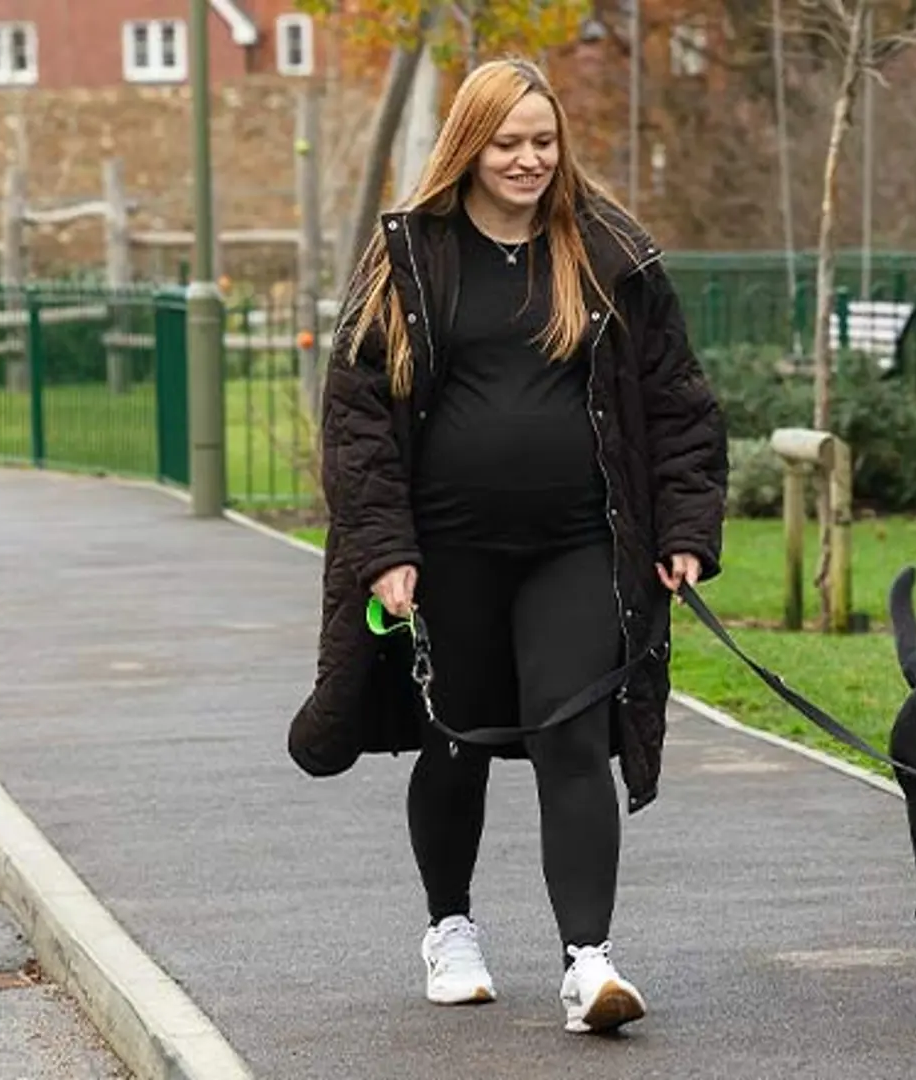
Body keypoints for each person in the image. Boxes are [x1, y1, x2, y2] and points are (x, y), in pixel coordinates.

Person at [286, 57, 728, 1036]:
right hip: (447, 552)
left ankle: (589, 963)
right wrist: (383, 548)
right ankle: (450, 929)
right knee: (458, 739)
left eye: (544, 141)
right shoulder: (411, 257)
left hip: (579, 543)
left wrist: (688, 527)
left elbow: (678, 403)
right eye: (508, 143)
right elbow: (357, 417)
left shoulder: (610, 253)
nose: (529, 159)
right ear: (469, 147)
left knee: (574, 735)